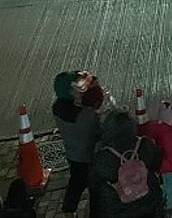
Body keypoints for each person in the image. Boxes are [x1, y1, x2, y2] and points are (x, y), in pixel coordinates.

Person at [88, 109, 163, 217]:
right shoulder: (145, 144)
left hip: (118, 208)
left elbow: (94, 186)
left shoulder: (103, 156)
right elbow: (157, 163)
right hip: (149, 201)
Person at [52, 71, 102, 214]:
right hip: (89, 155)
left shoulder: (57, 107)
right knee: (95, 188)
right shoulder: (86, 114)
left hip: (73, 154)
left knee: (75, 184)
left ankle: (68, 210)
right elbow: (98, 131)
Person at [139, 100, 172, 212]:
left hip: (159, 163)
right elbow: (170, 149)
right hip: (169, 164)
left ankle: (163, 203)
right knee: (170, 185)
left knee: (162, 184)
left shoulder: (156, 127)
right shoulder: (167, 132)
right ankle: (169, 206)